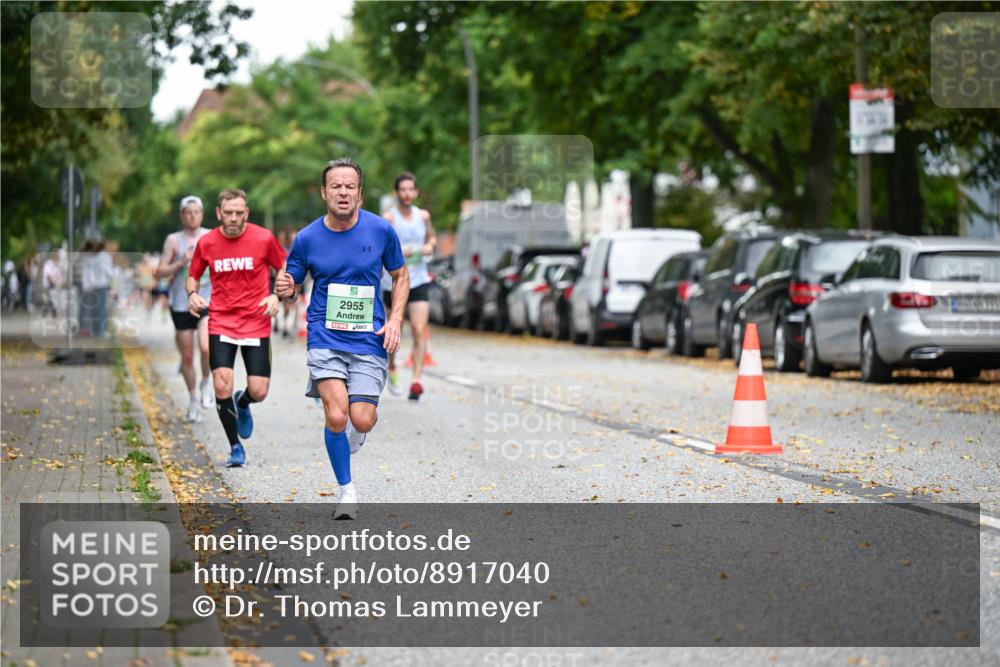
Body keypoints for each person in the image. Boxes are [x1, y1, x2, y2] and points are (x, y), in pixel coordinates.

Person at [275, 158, 407, 520]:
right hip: (325, 337)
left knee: (361, 419)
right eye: (336, 186)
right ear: (324, 192)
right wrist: (284, 287)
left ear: (360, 194)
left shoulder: (381, 231)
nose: (343, 192)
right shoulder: (307, 238)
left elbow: (400, 275)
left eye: (350, 186)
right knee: (336, 415)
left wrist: (395, 319)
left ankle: (356, 434)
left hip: (368, 341)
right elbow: (292, 284)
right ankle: (347, 490)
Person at [187, 189, 286, 467]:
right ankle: (235, 447)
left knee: (260, 390)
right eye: (228, 212)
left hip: (256, 320)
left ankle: (243, 403)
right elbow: (192, 275)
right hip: (222, 319)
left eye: (239, 212)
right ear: (218, 213)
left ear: (247, 213)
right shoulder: (207, 243)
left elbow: (283, 266)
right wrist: (192, 294)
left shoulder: (264, 238)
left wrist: (275, 295)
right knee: (222, 384)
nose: (233, 218)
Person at [158, 195, 214, 422]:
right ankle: (192, 400)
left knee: (206, 346)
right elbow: (159, 271)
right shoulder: (174, 240)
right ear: (182, 215)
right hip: (181, 304)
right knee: (188, 356)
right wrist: (181, 262)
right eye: (188, 212)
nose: (192, 216)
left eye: (196, 212)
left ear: (202, 214)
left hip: (206, 301)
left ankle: (206, 381)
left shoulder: (211, 236)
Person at [383, 172, 436, 400]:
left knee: (418, 328)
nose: (406, 194)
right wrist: (398, 252)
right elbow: (381, 246)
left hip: (419, 279)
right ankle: (392, 366)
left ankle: (416, 380)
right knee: (394, 330)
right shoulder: (389, 219)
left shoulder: (423, 216)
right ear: (397, 193)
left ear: (416, 192)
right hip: (393, 281)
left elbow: (432, 239)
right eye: (402, 190)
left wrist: (429, 247)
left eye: (410, 189)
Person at [80, 239, 115, 337]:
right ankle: (101, 331)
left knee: (93, 310)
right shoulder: (105, 256)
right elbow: (108, 271)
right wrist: (113, 279)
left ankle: (93, 330)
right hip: (102, 285)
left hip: (92, 286)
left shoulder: (90, 256)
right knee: (102, 309)